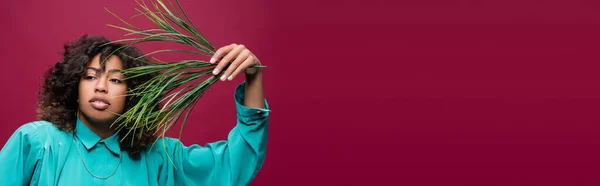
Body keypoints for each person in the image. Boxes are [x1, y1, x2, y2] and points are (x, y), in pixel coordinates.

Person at [0, 35, 270, 185]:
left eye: (116, 79)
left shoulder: (160, 157)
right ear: (73, 85)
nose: (101, 87)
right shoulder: (37, 143)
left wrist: (254, 76)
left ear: (135, 94)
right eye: (90, 76)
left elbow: (235, 164)